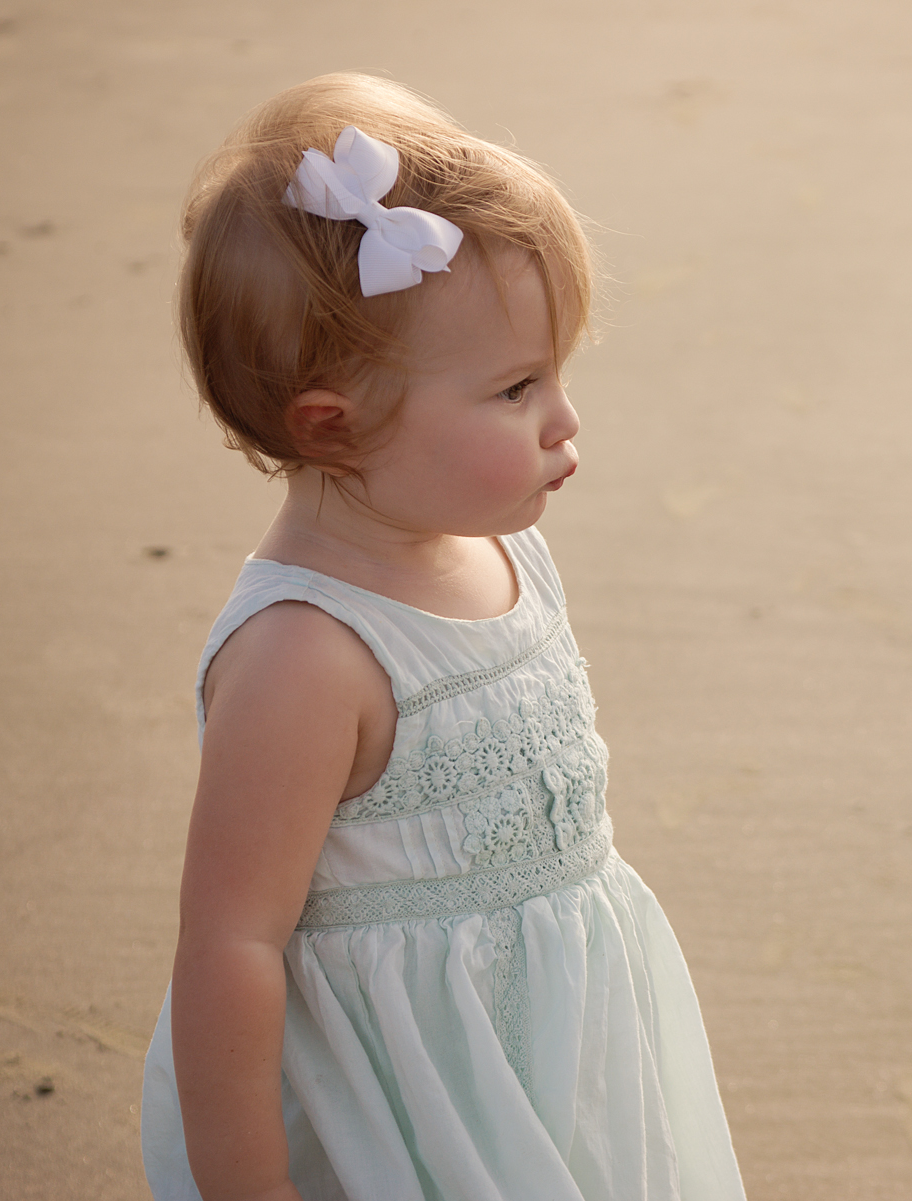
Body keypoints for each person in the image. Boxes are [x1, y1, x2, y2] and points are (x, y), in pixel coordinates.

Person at [139, 73, 748, 1201]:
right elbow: (229, 948)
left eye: (560, 372)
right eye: (517, 388)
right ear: (336, 423)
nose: (565, 420)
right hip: (406, 1105)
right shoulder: (304, 657)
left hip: (559, 1045)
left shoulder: (504, 550)